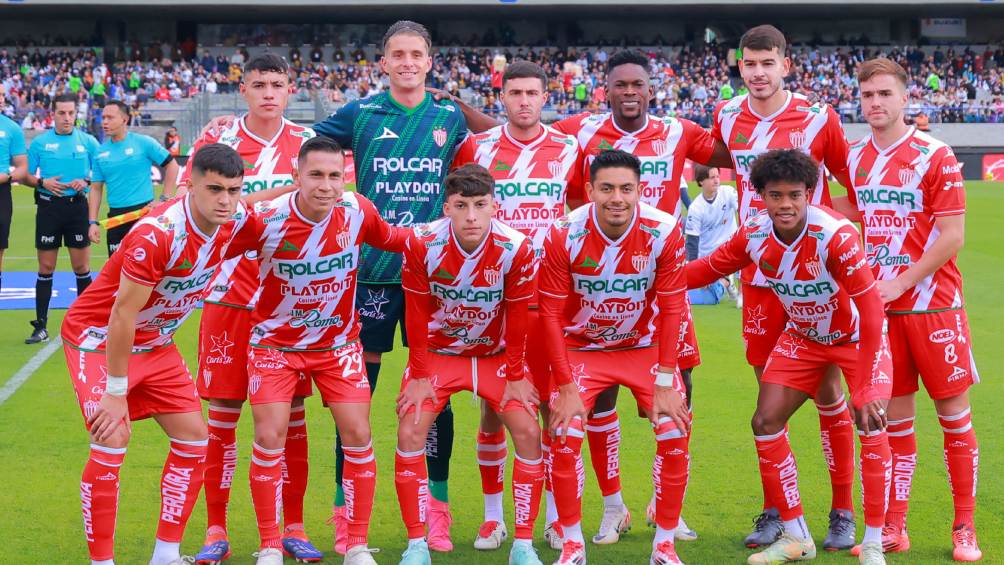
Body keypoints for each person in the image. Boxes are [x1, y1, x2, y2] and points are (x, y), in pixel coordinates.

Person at [548, 48, 731, 546]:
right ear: (605, 90)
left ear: (652, 89)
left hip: (659, 280)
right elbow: (527, 131)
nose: (629, 92)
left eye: (638, 85)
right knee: (599, 397)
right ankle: (613, 508)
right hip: (599, 282)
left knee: (679, 393)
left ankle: (665, 505)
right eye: (620, 85)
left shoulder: (677, 131)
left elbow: (733, 150)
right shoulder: (580, 130)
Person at [60, 143, 264, 565]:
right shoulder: (158, 235)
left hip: (155, 341)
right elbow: (122, 314)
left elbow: (261, 205)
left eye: (233, 190)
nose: (225, 200)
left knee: (194, 439)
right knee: (112, 437)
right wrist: (116, 392)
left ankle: (166, 555)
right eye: (215, 189)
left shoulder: (233, 218)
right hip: (98, 338)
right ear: (189, 186)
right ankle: (102, 562)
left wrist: (300, 190)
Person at [686, 148, 893, 565]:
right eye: (775, 195)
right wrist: (648, 275)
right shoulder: (754, 233)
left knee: (870, 420)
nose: (785, 204)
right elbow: (706, 269)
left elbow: (872, 310)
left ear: (809, 194)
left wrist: (869, 386)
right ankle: (797, 536)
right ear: (760, 195)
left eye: (794, 195)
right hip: (804, 337)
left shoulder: (835, 235)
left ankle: (872, 542)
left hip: (855, 338)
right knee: (765, 421)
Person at [710, 25, 859, 549]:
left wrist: (842, 248)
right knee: (768, 397)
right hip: (758, 278)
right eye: (749, 64)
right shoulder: (727, 115)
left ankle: (842, 511)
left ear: (785, 65)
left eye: (767, 62)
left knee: (828, 394)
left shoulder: (819, 117)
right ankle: (776, 510)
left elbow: (851, 186)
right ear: (740, 66)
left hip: (816, 281)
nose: (757, 73)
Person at [836, 58, 982, 562]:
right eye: (867, 95)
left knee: (953, 419)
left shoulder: (935, 154)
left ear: (904, 97)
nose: (875, 103)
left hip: (933, 307)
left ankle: (964, 526)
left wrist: (900, 282)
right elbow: (855, 209)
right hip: (880, 312)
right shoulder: (855, 157)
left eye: (884, 94)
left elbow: (953, 235)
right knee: (894, 423)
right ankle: (894, 526)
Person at [234, 136, 406, 565]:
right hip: (275, 346)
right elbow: (216, 241)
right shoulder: (266, 219)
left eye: (334, 176)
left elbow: (394, 238)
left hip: (338, 346)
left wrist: (448, 234)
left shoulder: (358, 209)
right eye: (315, 175)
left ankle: (357, 544)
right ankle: (270, 544)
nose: (326, 186)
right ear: (296, 176)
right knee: (268, 437)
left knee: (359, 435)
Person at [179, 53, 322, 565]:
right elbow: (193, 202)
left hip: (287, 303)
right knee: (222, 420)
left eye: (276, 84)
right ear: (244, 89)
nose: (268, 93)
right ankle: (215, 529)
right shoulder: (219, 136)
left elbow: (323, 205)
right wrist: (280, 196)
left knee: (290, 422)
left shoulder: (307, 143)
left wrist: (251, 206)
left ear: (290, 90)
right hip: (226, 299)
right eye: (258, 84)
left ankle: (293, 526)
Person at [450, 59, 582, 551]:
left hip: (549, 295)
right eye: (515, 93)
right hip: (493, 295)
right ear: (501, 97)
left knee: (549, 406)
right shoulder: (479, 147)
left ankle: (554, 518)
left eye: (532, 93)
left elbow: (578, 210)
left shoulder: (568, 148)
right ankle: (492, 518)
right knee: (495, 407)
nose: (524, 101)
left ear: (546, 97)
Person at [540, 150, 691, 565]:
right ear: (590, 190)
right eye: (606, 188)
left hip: (643, 347)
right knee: (564, 434)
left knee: (675, 429)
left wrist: (665, 380)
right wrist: (565, 386)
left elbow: (673, 308)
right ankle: (573, 545)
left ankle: (664, 545)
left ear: (640, 190)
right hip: (582, 348)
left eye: (626, 188)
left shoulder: (663, 229)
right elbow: (549, 313)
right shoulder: (563, 233)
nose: (617, 198)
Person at [394, 164, 544, 565]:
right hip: (440, 355)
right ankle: (416, 544)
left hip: (495, 357)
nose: (472, 216)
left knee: (529, 432)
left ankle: (523, 545)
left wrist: (516, 375)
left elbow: (519, 315)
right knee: (410, 430)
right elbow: (415, 312)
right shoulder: (421, 242)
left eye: (480, 205)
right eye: (462, 206)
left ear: (495, 206)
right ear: (447, 208)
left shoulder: (517, 247)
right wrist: (419, 375)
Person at [23, 93, 98, 344]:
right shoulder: (40, 143)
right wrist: (42, 182)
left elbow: (100, 172)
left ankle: (85, 325)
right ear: (52, 114)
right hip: (49, 209)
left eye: (71, 113)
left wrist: (86, 180)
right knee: (46, 268)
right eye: (61, 113)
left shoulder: (88, 142)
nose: (67, 118)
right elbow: (26, 176)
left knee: (81, 268)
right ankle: (41, 326)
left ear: (76, 114)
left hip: (77, 209)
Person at [89, 100, 178, 256]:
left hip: (145, 215)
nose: (104, 122)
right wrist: (92, 222)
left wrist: (164, 199)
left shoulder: (143, 142)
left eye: (110, 117)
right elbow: (96, 188)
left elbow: (172, 165)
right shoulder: (100, 152)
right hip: (116, 219)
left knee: (147, 267)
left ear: (125, 119)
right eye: (103, 118)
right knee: (117, 268)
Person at [684, 165, 739, 306]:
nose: (716, 181)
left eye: (718, 176)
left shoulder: (728, 192)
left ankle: (742, 290)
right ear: (701, 181)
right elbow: (692, 243)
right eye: (712, 177)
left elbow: (744, 211)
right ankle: (725, 281)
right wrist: (696, 274)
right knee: (704, 300)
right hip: (708, 258)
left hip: (732, 249)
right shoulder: (696, 208)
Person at [0, 88, 27, 294]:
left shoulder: (12, 128)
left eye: (2, 95)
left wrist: (7, 177)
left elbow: (22, 167)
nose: (1, 99)